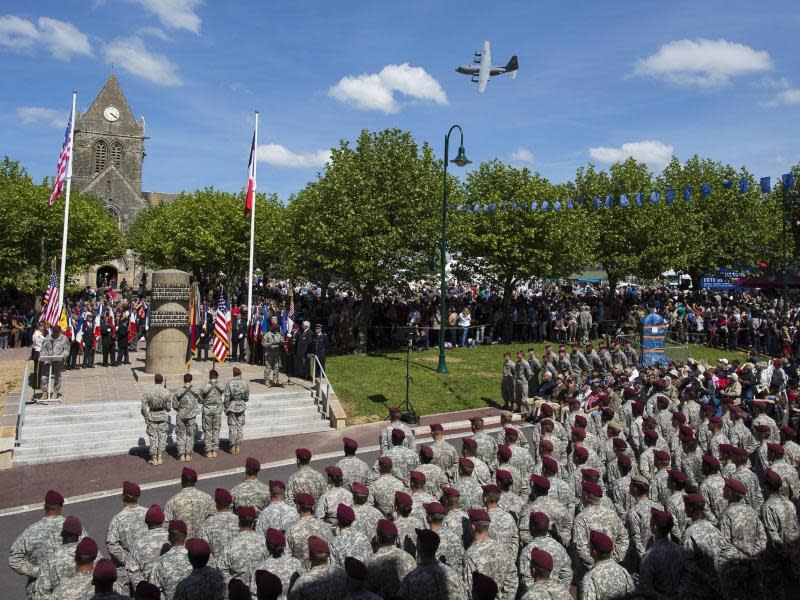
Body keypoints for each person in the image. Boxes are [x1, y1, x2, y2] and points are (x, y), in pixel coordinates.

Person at [9, 490, 68, 599]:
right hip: (66, 587)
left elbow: (14, 559)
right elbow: (89, 553)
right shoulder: (72, 527)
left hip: (39, 590)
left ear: (44, 506)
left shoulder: (31, 531)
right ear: (60, 506)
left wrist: (38, 572)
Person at [106, 481, 147, 591]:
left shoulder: (118, 519)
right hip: (146, 567)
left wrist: (128, 560)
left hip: (126, 572)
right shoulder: (148, 513)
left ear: (123, 496)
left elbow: (112, 544)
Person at [164, 468, 215, 538]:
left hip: (181, 543)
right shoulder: (207, 498)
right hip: (202, 542)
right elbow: (213, 519)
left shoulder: (173, 501)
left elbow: (166, 526)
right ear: (195, 481)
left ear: (182, 481)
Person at [141, 374, 171, 465]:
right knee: (162, 437)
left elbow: (143, 408)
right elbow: (169, 408)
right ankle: (160, 456)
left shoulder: (148, 392)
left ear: (154, 380)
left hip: (152, 416)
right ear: (162, 381)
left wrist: (146, 417)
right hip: (162, 416)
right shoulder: (166, 392)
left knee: (153, 437)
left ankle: (153, 458)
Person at [172, 373, 200, 462]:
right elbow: (200, 400)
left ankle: (181, 455)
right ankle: (188, 454)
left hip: (181, 415)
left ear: (184, 380)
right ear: (191, 380)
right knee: (190, 435)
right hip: (191, 416)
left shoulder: (178, 391)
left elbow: (175, 405)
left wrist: (181, 410)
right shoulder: (196, 390)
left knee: (180, 435)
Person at [223, 367, 249, 455]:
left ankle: (232, 446)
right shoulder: (244, 383)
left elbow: (227, 397)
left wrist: (226, 407)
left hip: (232, 406)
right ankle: (238, 446)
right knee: (240, 427)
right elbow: (246, 397)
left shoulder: (229, 383)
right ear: (240, 374)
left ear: (233, 374)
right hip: (241, 406)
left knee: (232, 427)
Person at [199, 369, 225, 458]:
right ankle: (214, 450)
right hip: (217, 411)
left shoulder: (204, 387)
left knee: (207, 430)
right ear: (217, 376)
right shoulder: (221, 386)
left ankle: (208, 450)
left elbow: (200, 400)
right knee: (216, 430)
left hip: (207, 411)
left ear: (209, 376)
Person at [38, 326, 70, 398]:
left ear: (59, 331)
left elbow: (67, 349)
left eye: (57, 332)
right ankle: (44, 392)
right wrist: (43, 356)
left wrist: (63, 356)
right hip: (48, 359)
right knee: (44, 376)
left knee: (57, 377)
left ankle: (56, 391)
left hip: (59, 360)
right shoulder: (48, 338)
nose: (55, 333)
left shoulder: (64, 338)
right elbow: (43, 348)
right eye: (54, 332)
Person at [262, 317, 284, 386]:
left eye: (276, 328)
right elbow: (263, 344)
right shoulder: (267, 334)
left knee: (276, 367)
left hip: (276, 353)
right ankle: (267, 380)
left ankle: (275, 380)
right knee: (268, 367)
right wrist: (270, 344)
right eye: (274, 328)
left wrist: (282, 343)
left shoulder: (279, 334)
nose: (276, 330)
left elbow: (282, 342)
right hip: (269, 353)